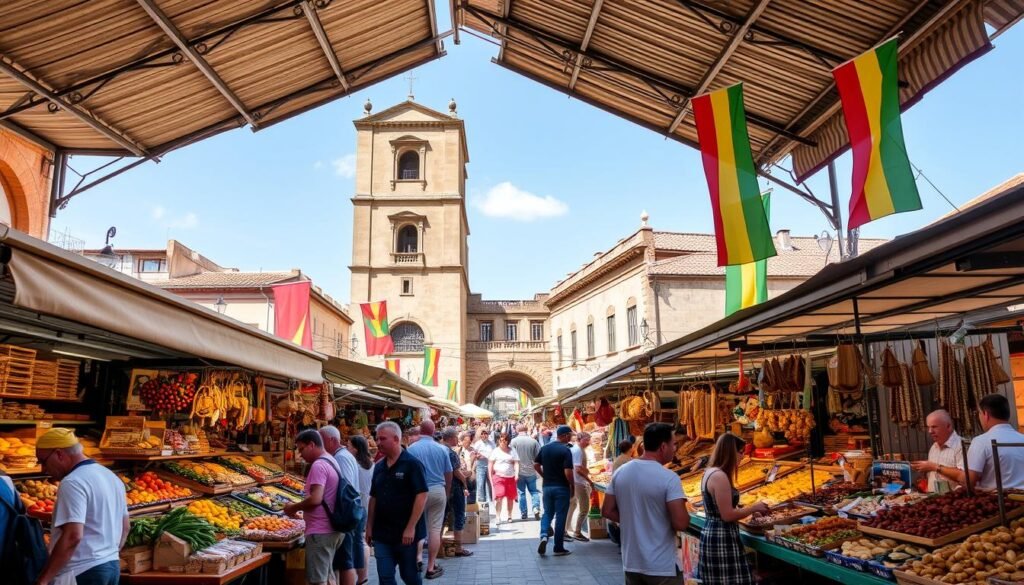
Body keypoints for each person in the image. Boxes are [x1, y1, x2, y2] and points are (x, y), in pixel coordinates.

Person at [33, 428, 128, 585]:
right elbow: (125, 527)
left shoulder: (73, 482)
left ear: (59, 454)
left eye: (43, 461)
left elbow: (73, 536)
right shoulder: (111, 477)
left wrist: (43, 580)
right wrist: (106, 557)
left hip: (83, 572)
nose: (43, 469)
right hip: (111, 567)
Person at [602, 423, 690, 585]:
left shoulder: (621, 472)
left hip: (631, 563)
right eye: (673, 444)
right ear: (663, 447)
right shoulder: (669, 478)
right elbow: (681, 522)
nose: (675, 449)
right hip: (661, 565)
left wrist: (634, 520)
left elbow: (607, 510)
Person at [697, 433, 769, 585]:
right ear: (730, 452)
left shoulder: (710, 472)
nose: (742, 456)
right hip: (721, 538)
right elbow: (727, 515)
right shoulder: (719, 476)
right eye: (740, 452)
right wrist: (752, 508)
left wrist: (748, 511)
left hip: (715, 534)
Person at [367, 421, 428, 585]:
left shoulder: (412, 464)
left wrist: (410, 527)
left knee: (409, 576)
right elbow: (374, 497)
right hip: (382, 534)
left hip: (406, 535)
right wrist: (369, 526)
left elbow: (422, 495)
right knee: (385, 576)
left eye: (382, 439)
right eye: (377, 439)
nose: (378, 443)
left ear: (395, 439)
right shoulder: (379, 467)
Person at [283, 430, 343, 585]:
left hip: (321, 531)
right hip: (332, 529)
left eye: (302, 449)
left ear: (312, 444)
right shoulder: (330, 460)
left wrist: (293, 508)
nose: (300, 454)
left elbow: (316, 498)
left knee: (318, 580)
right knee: (328, 575)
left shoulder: (318, 465)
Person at [406, 420, 452, 580]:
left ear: (420, 432)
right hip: (438, 489)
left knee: (416, 526)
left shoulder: (411, 450)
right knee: (434, 529)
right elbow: (448, 473)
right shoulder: (442, 449)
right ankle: (431, 566)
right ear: (433, 432)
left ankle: (417, 559)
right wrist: (446, 491)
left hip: (417, 492)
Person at [320, 425, 361, 585]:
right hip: (347, 513)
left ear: (331, 440)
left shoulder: (341, 457)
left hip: (345, 514)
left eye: (321, 440)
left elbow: (345, 487)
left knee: (345, 561)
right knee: (341, 561)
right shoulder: (342, 455)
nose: (319, 444)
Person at [968, 394, 1024, 490]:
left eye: (979, 413)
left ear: (986, 415)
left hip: (996, 501)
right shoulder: (1022, 439)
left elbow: (970, 480)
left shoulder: (981, 441)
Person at [535, 425, 575, 557]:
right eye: (569, 435)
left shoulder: (545, 448)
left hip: (547, 487)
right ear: (563, 436)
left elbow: (536, 464)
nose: (570, 438)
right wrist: (572, 486)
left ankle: (544, 535)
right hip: (561, 487)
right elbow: (568, 472)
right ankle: (558, 547)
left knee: (547, 513)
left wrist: (544, 475)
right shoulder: (565, 450)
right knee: (560, 516)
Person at [910, 410, 965, 492]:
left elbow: (964, 477)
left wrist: (934, 467)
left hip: (954, 501)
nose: (930, 431)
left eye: (934, 427)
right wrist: (923, 469)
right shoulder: (934, 447)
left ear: (948, 426)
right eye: (928, 427)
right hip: (934, 500)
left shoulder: (962, 446)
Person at [441, 427, 473, 557]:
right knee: (459, 515)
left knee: (441, 518)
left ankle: (438, 549)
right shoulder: (451, 452)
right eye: (456, 437)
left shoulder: (439, 450)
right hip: (454, 487)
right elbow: (456, 471)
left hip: (441, 486)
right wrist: (465, 481)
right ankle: (459, 547)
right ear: (451, 438)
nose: (457, 440)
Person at [348, 435, 375, 585]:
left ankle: (361, 575)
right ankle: (363, 575)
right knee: (363, 540)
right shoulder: (371, 464)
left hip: (357, 505)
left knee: (359, 540)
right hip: (368, 503)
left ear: (356, 449)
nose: (347, 449)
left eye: (349, 446)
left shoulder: (354, 465)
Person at [510, 424, 542, 520]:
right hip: (531, 470)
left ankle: (524, 513)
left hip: (519, 471)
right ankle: (536, 508)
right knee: (534, 491)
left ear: (516, 430)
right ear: (527, 429)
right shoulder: (533, 441)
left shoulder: (514, 441)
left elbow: (511, 456)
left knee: (521, 492)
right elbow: (539, 455)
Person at [567, 431, 594, 542]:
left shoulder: (576, 449)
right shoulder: (578, 450)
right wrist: (589, 480)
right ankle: (577, 532)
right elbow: (577, 469)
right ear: (580, 439)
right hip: (579, 482)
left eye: (589, 440)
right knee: (584, 509)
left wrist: (586, 470)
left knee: (572, 506)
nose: (588, 442)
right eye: (586, 440)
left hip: (576, 482)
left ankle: (567, 529)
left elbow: (577, 467)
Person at [488, 432, 520, 524]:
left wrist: (517, 473)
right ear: (498, 441)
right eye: (501, 440)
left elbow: (516, 462)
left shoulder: (512, 450)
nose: (503, 442)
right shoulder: (495, 451)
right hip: (498, 477)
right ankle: (498, 516)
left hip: (510, 477)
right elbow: (490, 464)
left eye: (505, 440)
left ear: (508, 441)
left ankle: (509, 515)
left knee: (510, 497)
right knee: (499, 497)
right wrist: (490, 476)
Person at [471, 429, 495, 504]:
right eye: (482, 434)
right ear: (480, 435)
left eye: (486, 434)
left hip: (490, 465)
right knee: (481, 483)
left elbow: (495, 453)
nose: (484, 435)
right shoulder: (477, 444)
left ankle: (493, 499)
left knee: (491, 483)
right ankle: (482, 501)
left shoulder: (491, 443)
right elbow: (473, 454)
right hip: (480, 465)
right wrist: (477, 456)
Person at [458, 431, 477, 505]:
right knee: (460, 498)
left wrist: (471, 472)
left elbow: (474, 464)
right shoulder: (458, 451)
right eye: (466, 441)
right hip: (461, 476)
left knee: (471, 498)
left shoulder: (473, 450)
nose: (469, 442)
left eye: (469, 441)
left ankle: (471, 514)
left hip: (470, 477)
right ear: (462, 441)